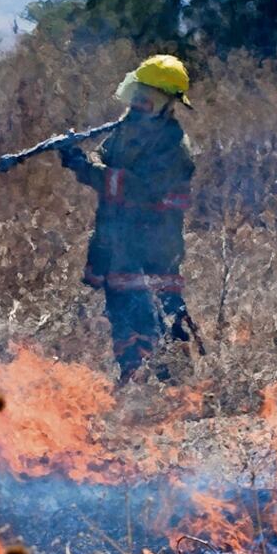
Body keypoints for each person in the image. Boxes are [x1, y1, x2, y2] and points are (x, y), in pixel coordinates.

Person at [59, 55, 198, 382]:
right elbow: (104, 159)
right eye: (137, 93)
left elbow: (134, 188)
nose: (139, 102)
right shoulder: (127, 129)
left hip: (154, 243)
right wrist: (79, 155)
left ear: (168, 103)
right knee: (122, 310)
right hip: (119, 239)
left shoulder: (173, 146)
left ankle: (175, 385)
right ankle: (133, 379)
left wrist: (84, 167)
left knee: (162, 312)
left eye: (148, 97)